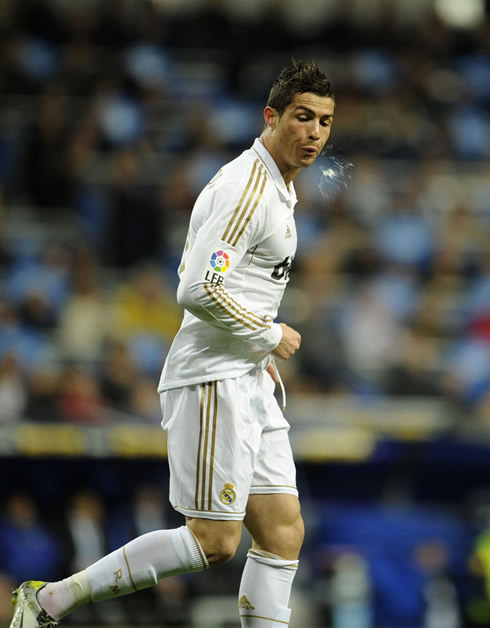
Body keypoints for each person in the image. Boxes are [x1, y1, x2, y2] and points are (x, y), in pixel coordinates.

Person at [9, 58, 335, 628]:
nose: (314, 133)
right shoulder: (248, 189)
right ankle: (49, 600)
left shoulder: (279, 188)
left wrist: (258, 350)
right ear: (271, 116)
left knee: (284, 531)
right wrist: (266, 333)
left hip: (248, 374)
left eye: (325, 122)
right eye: (302, 117)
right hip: (212, 377)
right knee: (213, 540)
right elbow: (196, 287)